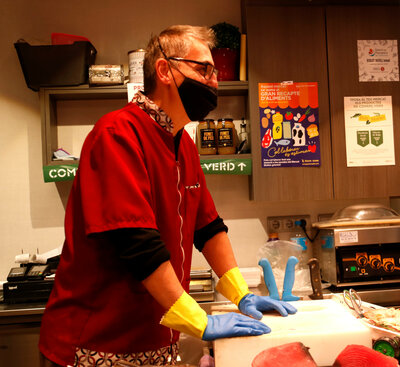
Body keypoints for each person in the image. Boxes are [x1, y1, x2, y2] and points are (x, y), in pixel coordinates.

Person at [38, 25, 297, 367]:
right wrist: (198, 320)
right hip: (96, 346)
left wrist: (240, 293)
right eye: (203, 69)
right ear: (164, 70)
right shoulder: (116, 135)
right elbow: (135, 242)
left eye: (215, 72)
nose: (214, 81)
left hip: (154, 346)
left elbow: (208, 228)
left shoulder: (184, 144)